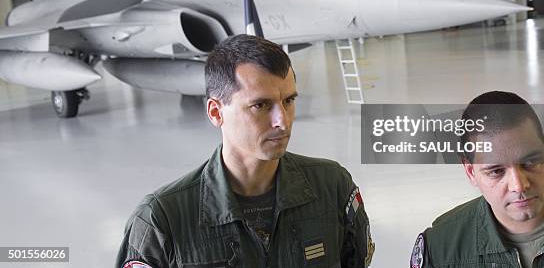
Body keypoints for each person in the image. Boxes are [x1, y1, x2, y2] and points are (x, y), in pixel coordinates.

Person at [116, 34, 374, 268]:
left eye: (289, 101)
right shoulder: (162, 220)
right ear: (216, 113)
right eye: (260, 105)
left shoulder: (332, 187)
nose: (282, 121)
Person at [410, 91, 544, 268]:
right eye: (496, 171)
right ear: (471, 172)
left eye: (530, 162)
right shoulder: (439, 249)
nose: (519, 185)